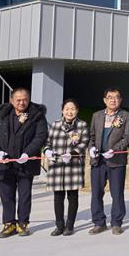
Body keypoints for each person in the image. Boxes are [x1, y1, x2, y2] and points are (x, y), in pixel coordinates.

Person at [0, 88, 48, 238]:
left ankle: (22, 223)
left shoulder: (37, 116)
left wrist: (28, 153)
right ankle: (9, 224)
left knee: (25, 195)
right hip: (5, 164)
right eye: (18, 100)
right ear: (12, 101)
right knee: (6, 195)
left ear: (29, 99)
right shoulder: (2, 115)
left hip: (26, 164)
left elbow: (40, 137)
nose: (22, 102)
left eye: (25, 99)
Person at [88, 87, 129, 235]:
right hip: (98, 161)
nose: (113, 100)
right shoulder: (97, 116)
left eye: (116, 97)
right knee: (96, 193)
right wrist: (91, 148)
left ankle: (117, 223)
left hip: (116, 160)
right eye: (110, 97)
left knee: (117, 193)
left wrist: (114, 150)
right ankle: (99, 222)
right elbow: (91, 136)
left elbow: (127, 137)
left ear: (120, 100)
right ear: (104, 100)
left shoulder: (127, 116)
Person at [43, 98, 90, 236]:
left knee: (72, 196)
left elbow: (84, 142)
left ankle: (70, 225)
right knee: (58, 196)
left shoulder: (82, 125)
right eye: (67, 109)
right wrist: (47, 151)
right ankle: (59, 225)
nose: (70, 112)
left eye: (73, 109)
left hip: (73, 165)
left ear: (77, 111)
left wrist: (72, 153)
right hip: (56, 165)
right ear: (62, 111)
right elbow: (47, 141)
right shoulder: (55, 124)